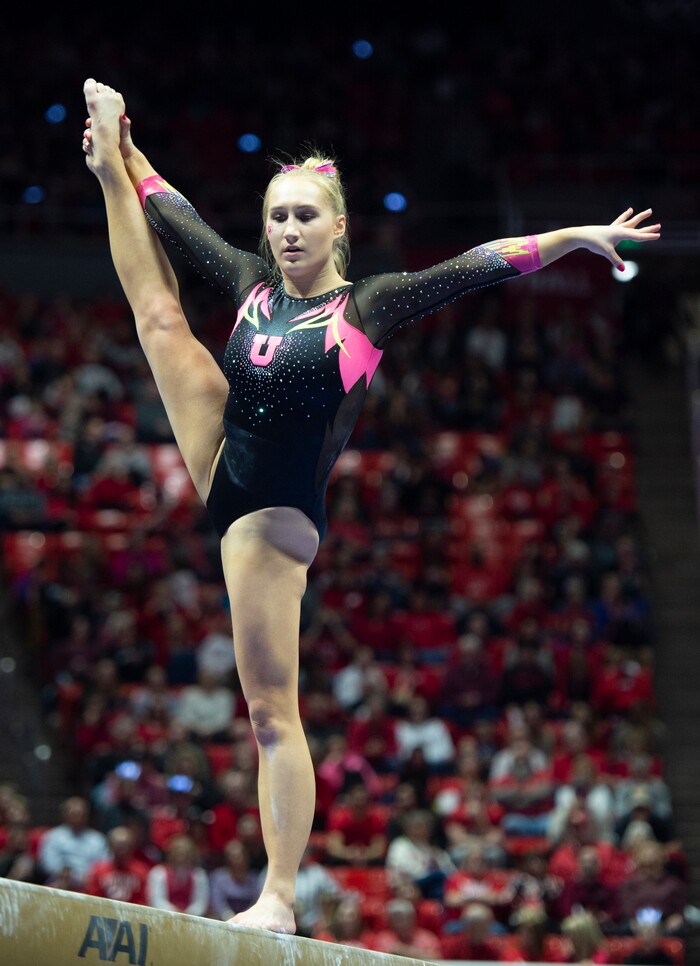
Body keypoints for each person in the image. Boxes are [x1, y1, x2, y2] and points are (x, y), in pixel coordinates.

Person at [82, 77, 660, 933]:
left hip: (270, 525)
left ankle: (277, 894)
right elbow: (174, 212)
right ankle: (101, 161)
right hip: (222, 456)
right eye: (277, 216)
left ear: (338, 226)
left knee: (272, 712)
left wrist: (577, 235)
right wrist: (125, 156)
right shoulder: (250, 284)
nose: (286, 231)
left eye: (305, 217)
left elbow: (482, 261)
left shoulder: (368, 305)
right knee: (160, 318)